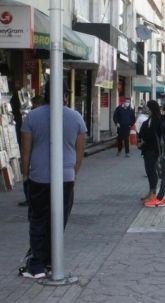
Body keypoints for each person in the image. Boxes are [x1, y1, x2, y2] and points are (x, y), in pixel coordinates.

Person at [19, 81, 87, 279]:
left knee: (38, 219)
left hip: (38, 177)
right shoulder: (76, 118)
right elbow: (80, 151)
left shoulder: (32, 117)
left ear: (44, 94)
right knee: (58, 220)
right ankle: (51, 261)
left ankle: (37, 265)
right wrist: (73, 172)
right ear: (65, 96)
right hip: (66, 178)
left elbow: (26, 152)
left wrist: (25, 175)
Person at [138, 100, 162, 203]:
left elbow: (150, 134)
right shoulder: (150, 119)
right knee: (149, 171)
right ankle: (151, 191)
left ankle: (153, 193)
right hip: (147, 149)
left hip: (152, 149)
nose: (146, 109)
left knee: (151, 171)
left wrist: (143, 141)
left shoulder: (156, 119)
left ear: (152, 108)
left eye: (147, 107)